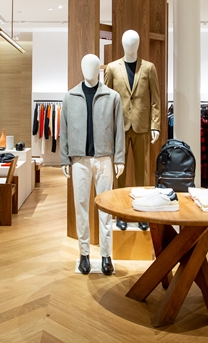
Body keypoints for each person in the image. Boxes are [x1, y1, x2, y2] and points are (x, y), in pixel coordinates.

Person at [60, 54, 125, 275]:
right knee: (81, 206)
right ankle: (84, 254)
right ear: (81, 68)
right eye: (85, 65)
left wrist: (119, 158)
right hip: (79, 160)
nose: (89, 69)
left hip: (104, 159)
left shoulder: (112, 96)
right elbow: (64, 129)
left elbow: (119, 130)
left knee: (106, 208)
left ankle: (106, 255)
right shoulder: (70, 97)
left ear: (100, 69)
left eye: (94, 66)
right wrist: (64, 158)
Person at [104, 30, 160, 231]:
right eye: (128, 43)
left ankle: (142, 212)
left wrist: (155, 125)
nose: (131, 46)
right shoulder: (112, 68)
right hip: (119, 127)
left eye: (134, 42)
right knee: (119, 172)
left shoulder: (149, 68)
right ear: (122, 44)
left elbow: (155, 100)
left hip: (142, 127)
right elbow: (106, 100)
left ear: (138, 45)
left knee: (141, 172)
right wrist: (107, 128)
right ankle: (121, 213)